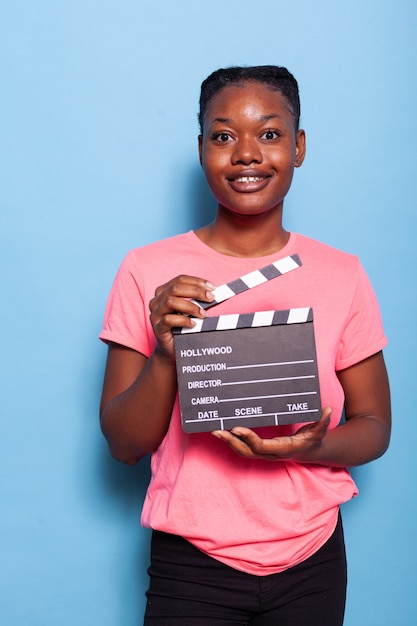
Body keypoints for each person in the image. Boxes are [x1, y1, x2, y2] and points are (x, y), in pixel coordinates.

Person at [99, 65, 391, 625]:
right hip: (193, 558)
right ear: (202, 148)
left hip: (312, 554)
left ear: (299, 147)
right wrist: (166, 353)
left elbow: (376, 425)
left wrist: (309, 449)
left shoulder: (343, 274)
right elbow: (123, 444)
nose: (247, 154)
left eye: (271, 134)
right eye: (224, 135)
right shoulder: (147, 271)